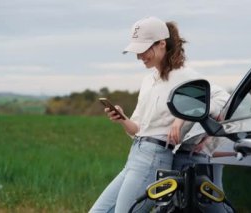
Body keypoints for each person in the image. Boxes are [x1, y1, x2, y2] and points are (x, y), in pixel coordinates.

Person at [89, 16, 216, 213]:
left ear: (162, 44)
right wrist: (123, 119)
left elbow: (217, 100)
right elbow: (138, 128)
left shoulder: (187, 76)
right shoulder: (148, 81)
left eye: (143, 50)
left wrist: (181, 120)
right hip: (136, 154)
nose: (139, 57)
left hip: (154, 158)